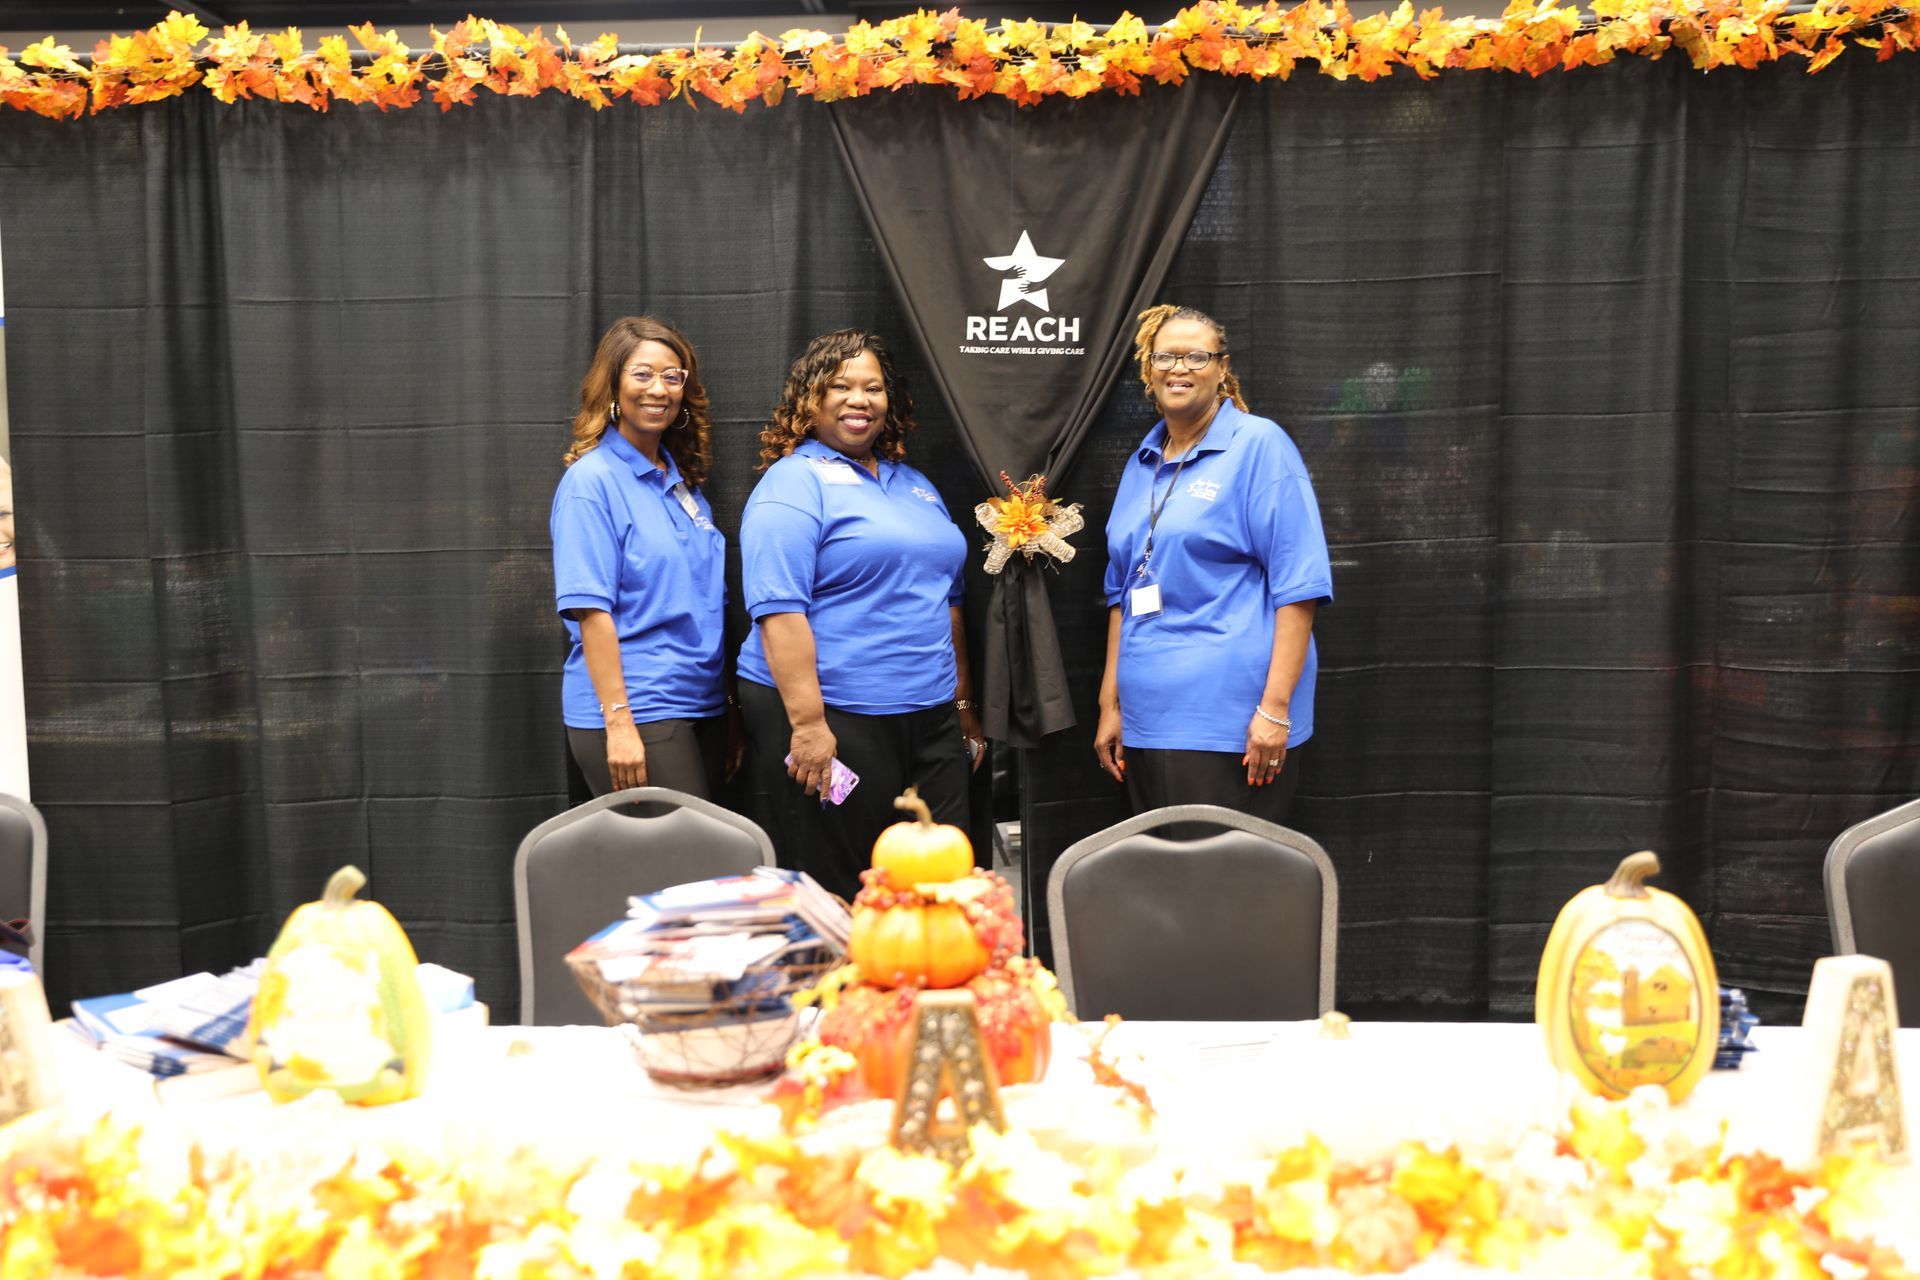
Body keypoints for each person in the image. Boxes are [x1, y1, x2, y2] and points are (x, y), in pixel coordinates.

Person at [735, 329, 986, 901]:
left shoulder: (915, 485)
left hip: (929, 715)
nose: (860, 399)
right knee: (844, 885)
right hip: (836, 715)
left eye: (872, 388)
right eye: (841, 386)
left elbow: (949, 600)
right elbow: (779, 612)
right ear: (810, 400)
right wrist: (808, 725)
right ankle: (840, 991)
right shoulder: (792, 483)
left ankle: (925, 988)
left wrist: (963, 706)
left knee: (940, 882)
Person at [1095, 304, 1333, 823]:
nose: (1178, 368)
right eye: (1165, 357)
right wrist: (1110, 705)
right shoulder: (1143, 461)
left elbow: (1300, 589)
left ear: (1222, 368)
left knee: (1225, 892)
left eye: (1196, 356)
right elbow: (1122, 595)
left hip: (1229, 724)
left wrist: (1274, 711)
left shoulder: (1259, 446)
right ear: (1147, 368)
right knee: (1168, 887)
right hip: (1146, 720)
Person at [550, 316, 739, 799]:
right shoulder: (591, 483)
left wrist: (726, 707)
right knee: (682, 867)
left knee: (703, 869)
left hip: (702, 705)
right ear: (612, 385)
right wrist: (618, 722)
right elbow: (591, 612)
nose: (659, 389)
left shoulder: (681, 483)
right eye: (642, 374)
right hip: (640, 708)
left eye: (672, 377)